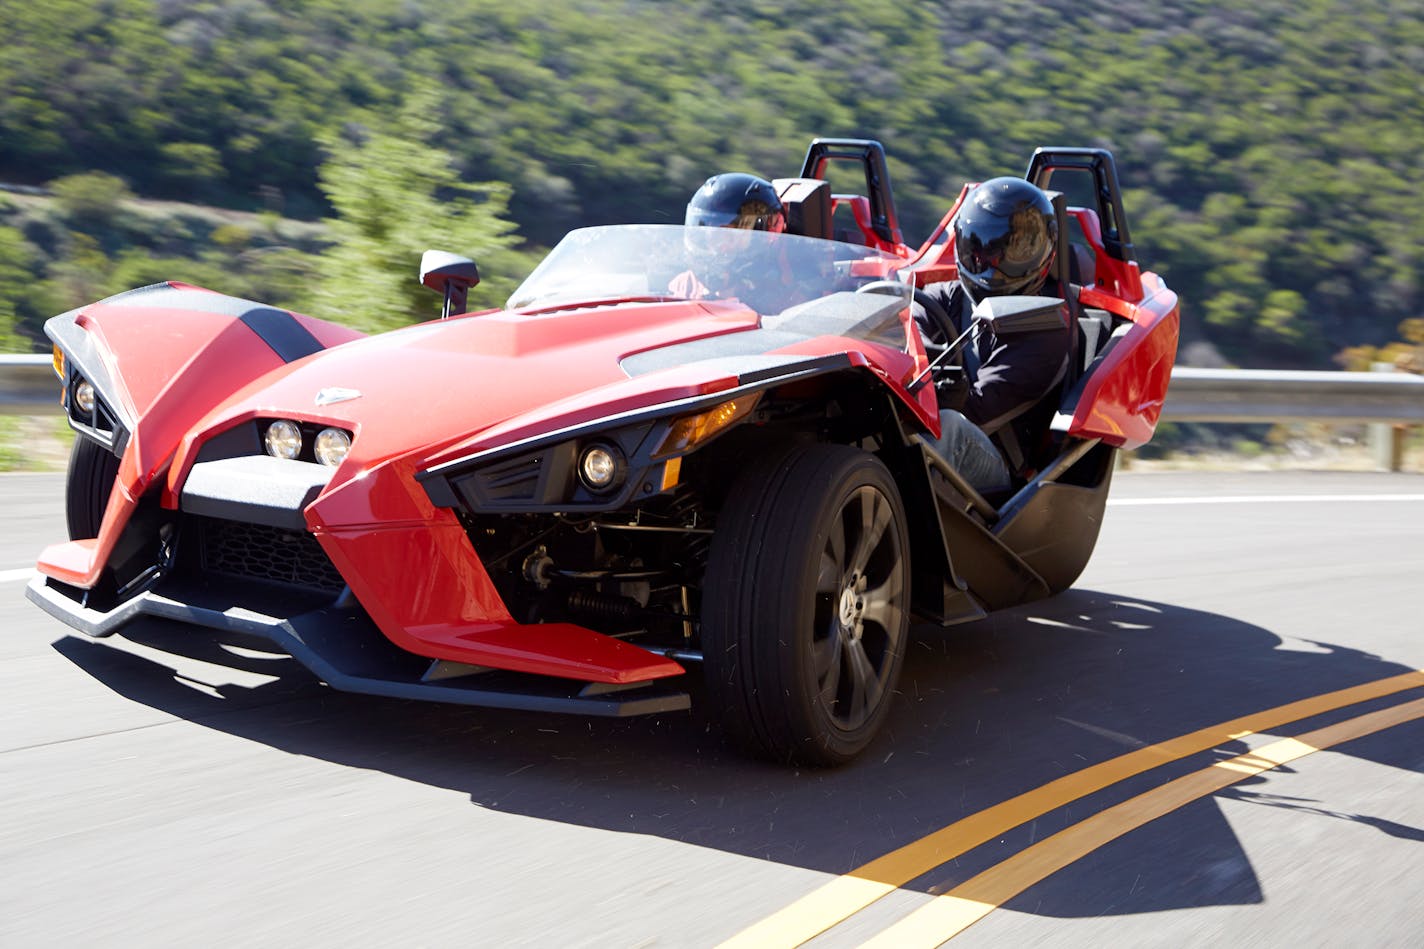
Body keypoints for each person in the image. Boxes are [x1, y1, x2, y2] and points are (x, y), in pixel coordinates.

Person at [915, 176, 1072, 496]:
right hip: (926, 428)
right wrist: (920, 355)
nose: (993, 267)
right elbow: (909, 322)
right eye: (982, 247)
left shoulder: (1046, 332)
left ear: (1044, 252)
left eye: (1013, 250)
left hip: (997, 469)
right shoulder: (947, 294)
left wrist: (934, 379)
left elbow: (974, 411)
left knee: (950, 427)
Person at [672, 172, 815, 315]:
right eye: (713, 234)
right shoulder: (686, 285)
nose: (720, 246)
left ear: (766, 234)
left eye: (731, 235)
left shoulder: (788, 293)